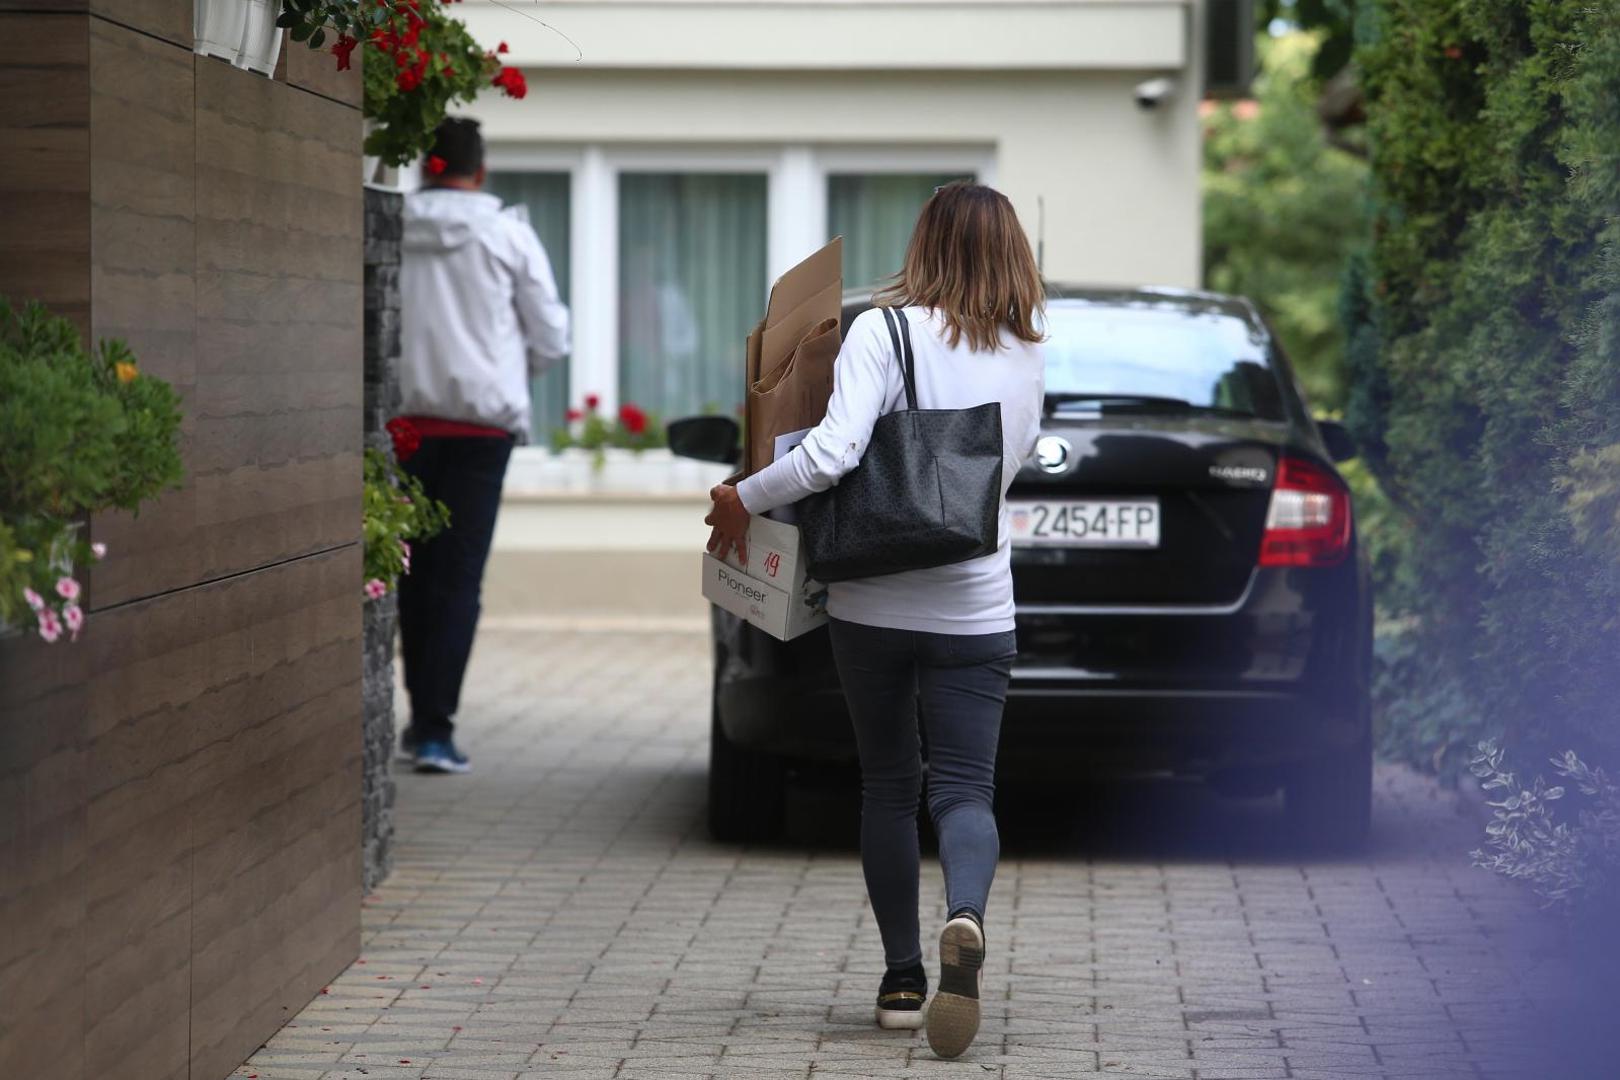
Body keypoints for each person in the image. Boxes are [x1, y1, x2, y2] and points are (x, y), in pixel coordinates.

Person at [704, 183, 1046, 1058]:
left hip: (874, 603)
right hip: (976, 603)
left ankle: (901, 980)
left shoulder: (882, 332)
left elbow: (833, 452)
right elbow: (1006, 472)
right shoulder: (1025, 351)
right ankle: (963, 916)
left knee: (891, 786)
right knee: (966, 789)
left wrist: (743, 496)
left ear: (925, 244)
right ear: (1010, 253)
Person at [394, 117, 570, 774]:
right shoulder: (507, 235)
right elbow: (551, 337)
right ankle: (436, 731)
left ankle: (419, 716)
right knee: (457, 579)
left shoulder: (394, 227)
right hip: (481, 433)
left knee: (407, 573)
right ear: (481, 169)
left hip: (403, 429)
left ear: (423, 165)